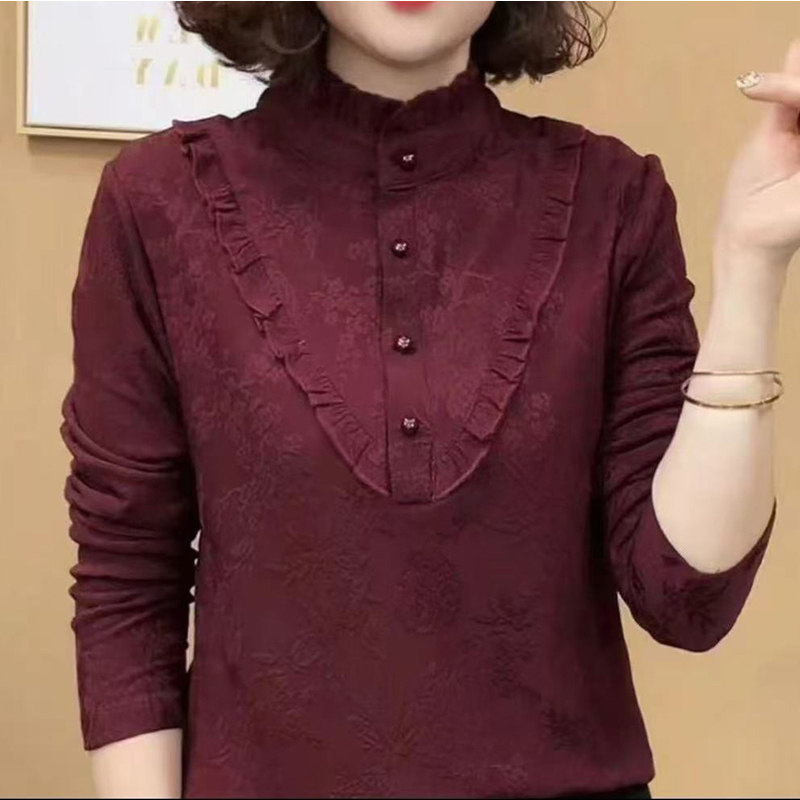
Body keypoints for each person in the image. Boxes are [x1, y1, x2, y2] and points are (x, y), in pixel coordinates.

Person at [59, 2, 797, 797]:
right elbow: (128, 581)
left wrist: (752, 268)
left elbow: (685, 600)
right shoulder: (157, 204)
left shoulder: (614, 200)